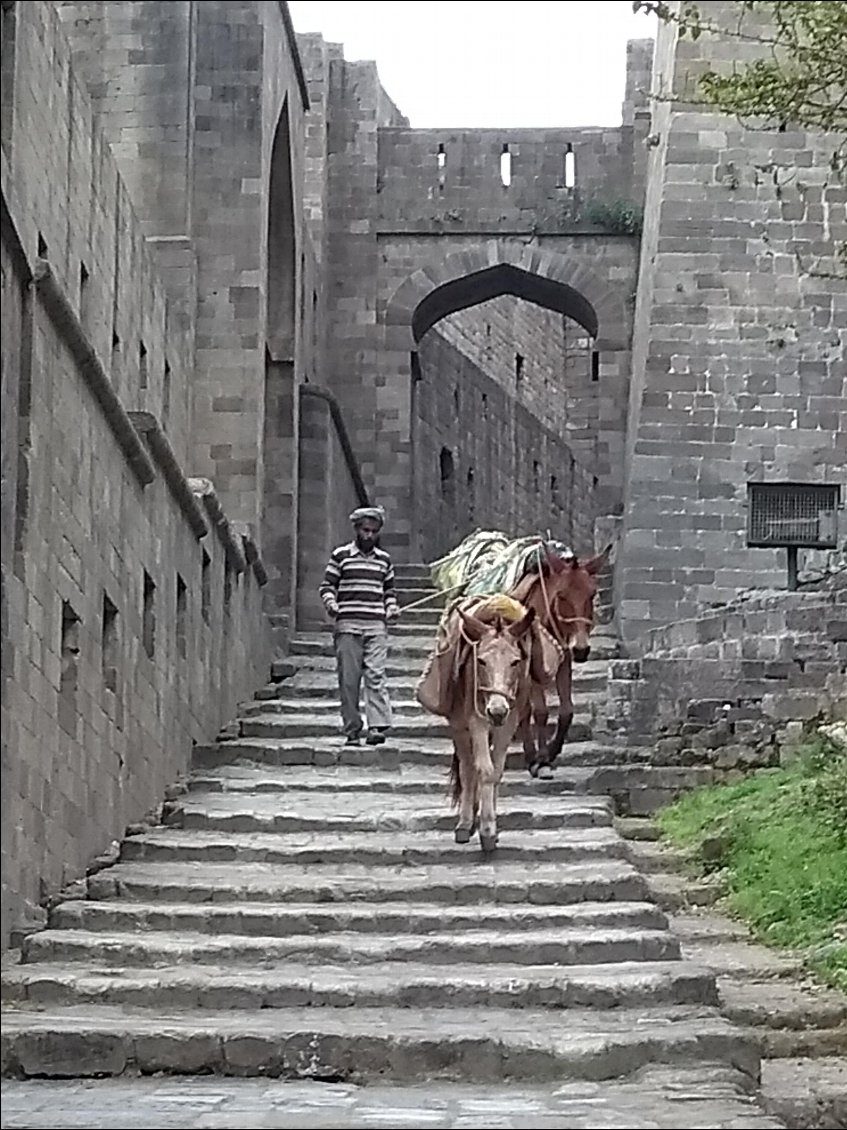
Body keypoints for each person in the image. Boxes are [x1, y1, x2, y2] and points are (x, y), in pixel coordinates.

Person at [319, 505, 400, 745]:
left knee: (376, 675)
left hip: (376, 627)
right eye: (365, 530)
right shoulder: (341, 556)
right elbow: (327, 586)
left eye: (374, 531)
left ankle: (376, 727)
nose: (369, 535)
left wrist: (391, 607)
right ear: (356, 529)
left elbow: (389, 591)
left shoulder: (384, 561)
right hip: (348, 627)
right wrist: (331, 603)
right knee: (349, 680)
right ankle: (352, 729)